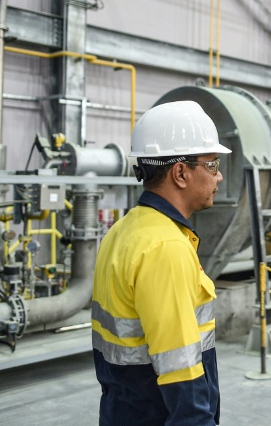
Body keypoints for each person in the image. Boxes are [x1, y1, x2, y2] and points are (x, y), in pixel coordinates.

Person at [91, 100, 231, 426]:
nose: (219, 176)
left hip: (122, 410)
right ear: (180, 172)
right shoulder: (165, 246)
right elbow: (180, 369)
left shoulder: (124, 230)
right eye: (211, 165)